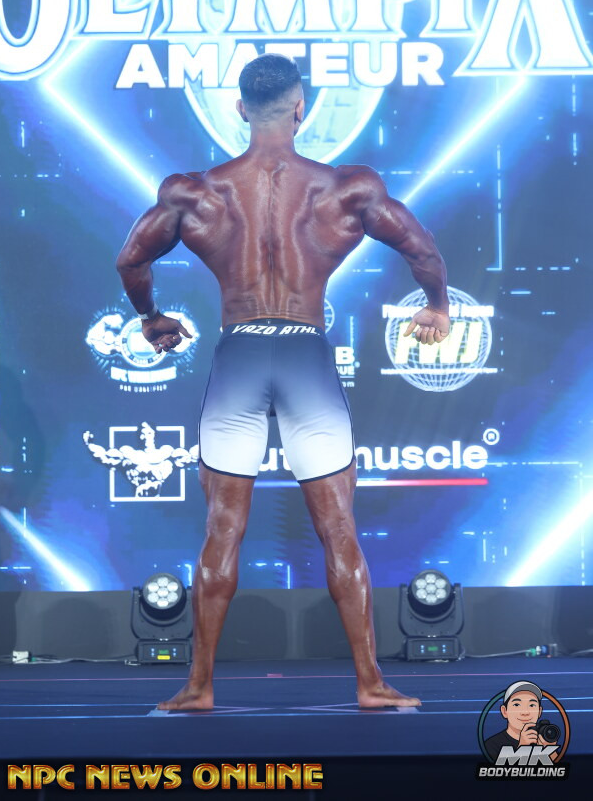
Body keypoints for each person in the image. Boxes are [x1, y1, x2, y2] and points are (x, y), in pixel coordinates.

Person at [116, 53, 450, 710]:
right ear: (302, 109)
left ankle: (199, 687)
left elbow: (131, 259)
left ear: (239, 109)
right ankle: (370, 684)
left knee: (222, 528)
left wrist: (152, 317)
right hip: (306, 358)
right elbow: (422, 250)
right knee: (338, 527)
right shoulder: (348, 189)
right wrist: (437, 306)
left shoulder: (194, 193)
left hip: (240, 357)